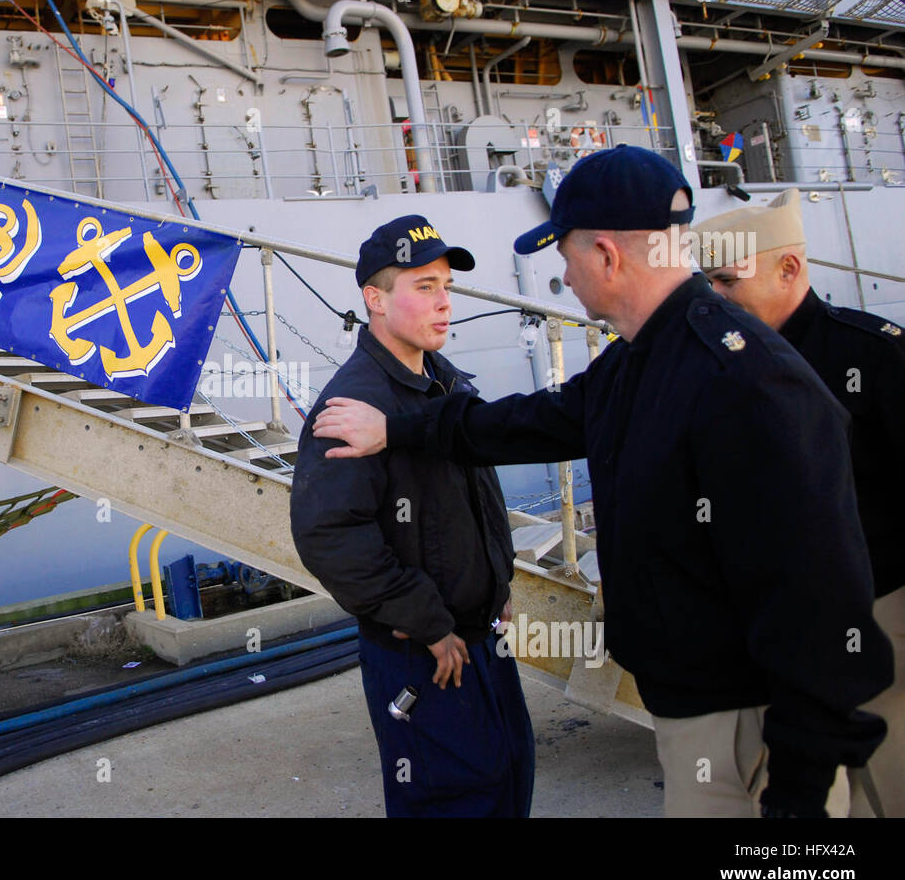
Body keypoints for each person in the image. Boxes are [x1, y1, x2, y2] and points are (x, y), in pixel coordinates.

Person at [312, 146, 893, 818]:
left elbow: (819, 601)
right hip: (701, 718)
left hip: (747, 738)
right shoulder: (641, 362)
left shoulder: (747, 382)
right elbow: (537, 421)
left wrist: (800, 793)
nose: (560, 273)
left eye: (564, 255)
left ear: (608, 258)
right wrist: (401, 428)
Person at [289, 214, 533, 817]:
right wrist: (425, 620)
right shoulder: (355, 405)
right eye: (425, 287)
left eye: (447, 286)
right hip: (425, 656)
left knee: (506, 783)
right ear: (374, 299)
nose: (445, 303)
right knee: (451, 799)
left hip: (479, 641)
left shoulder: (445, 384)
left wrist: (496, 581)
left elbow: (475, 497)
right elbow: (328, 534)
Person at [694, 189, 905, 816]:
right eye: (706, 283)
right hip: (771, 623)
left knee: (890, 784)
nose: (715, 298)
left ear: (789, 269)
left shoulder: (873, 353)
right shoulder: (716, 362)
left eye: (728, 280)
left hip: (879, 609)